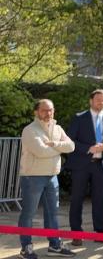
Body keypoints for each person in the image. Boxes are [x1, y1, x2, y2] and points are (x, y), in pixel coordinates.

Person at [17, 99, 76, 259]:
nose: (48, 113)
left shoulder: (57, 128)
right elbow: (41, 152)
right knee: (28, 213)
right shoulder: (30, 130)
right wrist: (59, 148)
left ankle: (55, 245)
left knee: (53, 213)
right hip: (32, 177)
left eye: (51, 110)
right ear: (36, 112)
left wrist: (53, 144)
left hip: (52, 176)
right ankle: (26, 247)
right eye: (44, 110)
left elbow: (71, 146)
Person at [66, 89, 103, 245]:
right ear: (91, 101)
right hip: (81, 165)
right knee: (77, 199)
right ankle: (76, 233)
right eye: (98, 100)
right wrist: (89, 148)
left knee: (100, 200)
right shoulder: (79, 118)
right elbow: (70, 141)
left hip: (100, 165)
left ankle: (100, 232)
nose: (101, 103)